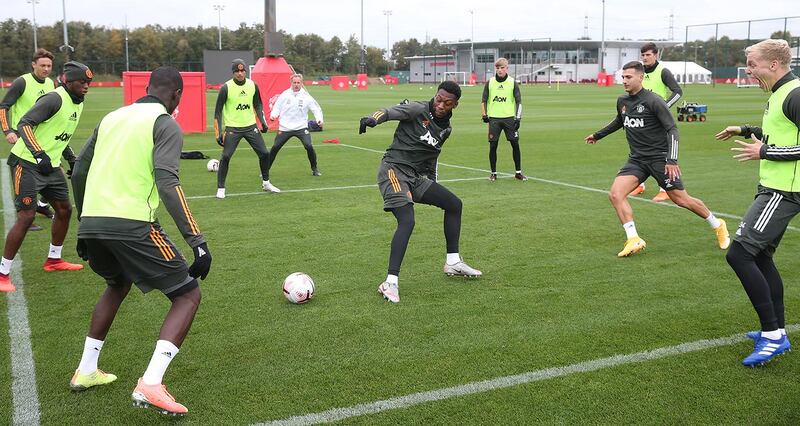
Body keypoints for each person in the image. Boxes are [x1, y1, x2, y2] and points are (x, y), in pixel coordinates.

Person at [69, 66, 212, 415]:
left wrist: (83, 222)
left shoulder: (112, 117)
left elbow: (79, 171)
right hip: (133, 225)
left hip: (93, 221)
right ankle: (151, 384)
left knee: (117, 283)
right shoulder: (165, 123)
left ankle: (86, 370)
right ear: (178, 95)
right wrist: (198, 240)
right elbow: (167, 182)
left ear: (145, 88)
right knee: (187, 293)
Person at [584, 61, 729, 257]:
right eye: (623, 77)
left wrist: (672, 160)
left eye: (628, 77)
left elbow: (672, 129)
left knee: (682, 200)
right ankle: (633, 238)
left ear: (640, 77)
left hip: (660, 160)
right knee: (616, 194)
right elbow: (620, 120)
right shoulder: (623, 101)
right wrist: (598, 135)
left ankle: (717, 224)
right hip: (636, 160)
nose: (624, 81)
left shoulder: (654, 101)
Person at [359, 81, 482, 304]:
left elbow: (431, 157)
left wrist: (433, 185)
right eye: (439, 99)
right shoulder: (417, 109)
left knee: (454, 204)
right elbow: (389, 112)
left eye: (447, 103)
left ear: (455, 105)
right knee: (407, 221)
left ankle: (453, 262)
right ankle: (390, 282)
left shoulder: (446, 129)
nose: (441, 105)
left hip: (415, 178)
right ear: (435, 96)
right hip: (393, 171)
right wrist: (372, 119)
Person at [714, 39, 797, 367]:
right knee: (760, 255)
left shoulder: (794, 93)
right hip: (774, 187)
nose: (748, 71)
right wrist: (748, 129)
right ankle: (778, 332)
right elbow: (784, 133)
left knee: (740, 253)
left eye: (752, 65)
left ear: (774, 65)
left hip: (783, 191)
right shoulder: (779, 93)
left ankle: (773, 335)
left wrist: (764, 151)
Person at [0, 61, 91, 293]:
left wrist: (71, 158)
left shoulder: (78, 102)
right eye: (82, 82)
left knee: (64, 209)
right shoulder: (54, 98)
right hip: (26, 163)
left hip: (50, 166)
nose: (86, 86)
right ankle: (3, 273)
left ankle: (54, 259)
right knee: (27, 216)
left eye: (88, 82)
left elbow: (61, 134)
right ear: (68, 81)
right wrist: (38, 154)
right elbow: (24, 124)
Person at [0, 48, 59, 231]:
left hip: (44, 137)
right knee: (26, 174)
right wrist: (8, 130)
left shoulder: (50, 83)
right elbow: (3, 106)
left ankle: (41, 205)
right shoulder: (22, 82)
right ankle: (24, 215)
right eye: (42, 65)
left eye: (49, 65)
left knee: (53, 171)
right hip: (23, 136)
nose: (46, 69)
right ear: (34, 65)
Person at [214, 59, 279, 199]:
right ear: (233, 72)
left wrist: (263, 122)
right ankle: (221, 188)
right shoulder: (226, 88)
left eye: (242, 71)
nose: (240, 73)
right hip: (233, 128)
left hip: (250, 127)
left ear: (246, 71)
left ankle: (266, 183)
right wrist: (218, 132)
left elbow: (258, 105)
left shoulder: (252, 85)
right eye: (237, 71)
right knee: (225, 157)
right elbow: (218, 112)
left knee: (264, 154)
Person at [630, 42, 684, 202]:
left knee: (659, 151)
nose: (645, 58)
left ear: (656, 55)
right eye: (643, 55)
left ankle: (664, 189)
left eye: (648, 55)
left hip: (658, 118)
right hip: (642, 118)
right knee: (640, 149)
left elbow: (678, 91)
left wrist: (665, 106)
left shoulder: (663, 71)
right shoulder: (638, 71)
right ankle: (639, 184)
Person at [269, 73, 324, 176]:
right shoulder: (284, 95)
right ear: (291, 83)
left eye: (298, 82)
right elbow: (277, 107)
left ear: (301, 83)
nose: (296, 84)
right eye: (294, 82)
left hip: (301, 127)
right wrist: (273, 115)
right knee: (275, 147)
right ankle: (265, 169)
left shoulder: (306, 96)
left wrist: (319, 119)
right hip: (285, 127)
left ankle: (314, 169)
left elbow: (316, 108)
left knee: (308, 146)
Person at [481, 57, 527, 182]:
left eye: (502, 68)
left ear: (507, 68)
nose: (500, 70)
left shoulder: (512, 82)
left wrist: (518, 118)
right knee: (493, 146)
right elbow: (484, 100)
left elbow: (519, 102)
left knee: (515, 144)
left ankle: (518, 173)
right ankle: (493, 173)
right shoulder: (490, 82)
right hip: (494, 120)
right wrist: (484, 115)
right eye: (497, 68)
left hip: (509, 119)